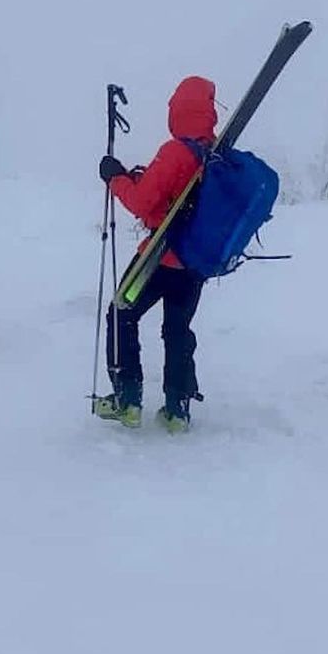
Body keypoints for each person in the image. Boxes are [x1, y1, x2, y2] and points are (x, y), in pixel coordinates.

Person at [95, 76, 216, 432]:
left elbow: (143, 202)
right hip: (193, 264)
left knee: (121, 312)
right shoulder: (214, 152)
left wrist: (116, 179)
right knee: (177, 328)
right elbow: (177, 201)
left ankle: (127, 400)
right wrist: (143, 178)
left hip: (159, 259)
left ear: (178, 110)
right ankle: (178, 409)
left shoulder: (177, 150)